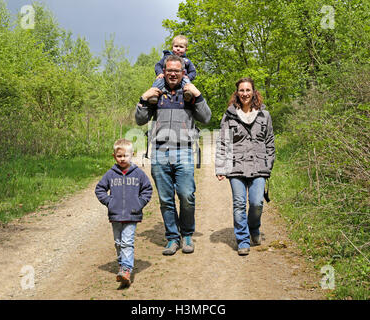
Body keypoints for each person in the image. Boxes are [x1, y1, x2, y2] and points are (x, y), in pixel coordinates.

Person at [135, 54, 211, 256]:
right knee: (166, 199)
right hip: (159, 152)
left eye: (177, 70)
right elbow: (140, 120)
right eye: (170, 70)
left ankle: (186, 234)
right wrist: (143, 99)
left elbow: (206, 117)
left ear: (183, 72)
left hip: (184, 150)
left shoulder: (189, 93)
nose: (173, 74)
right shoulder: (156, 93)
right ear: (164, 71)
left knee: (187, 195)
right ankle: (172, 238)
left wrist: (199, 95)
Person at [215, 77, 275, 256]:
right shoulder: (229, 115)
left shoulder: (265, 115)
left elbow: (270, 141)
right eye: (241, 90)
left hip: (259, 166)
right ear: (237, 93)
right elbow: (223, 143)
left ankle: (254, 228)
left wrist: (268, 163)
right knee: (239, 204)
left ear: (254, 92)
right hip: (236, 167)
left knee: (256, 203)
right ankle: (242, 240)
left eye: (248, 90)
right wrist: (220, 167)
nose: (245, 94)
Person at [95, 139, 153, 286]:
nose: (122, 159)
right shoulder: (110, 174)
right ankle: (122, 267)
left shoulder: (138, 174)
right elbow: (99, 189)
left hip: (132, 214)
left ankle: (126, 270)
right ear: (114, 156)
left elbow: (147, 190)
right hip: (115, 215)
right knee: (118, 242)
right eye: (119, 156)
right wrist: (109, 202)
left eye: (125, 156)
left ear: (132, 155)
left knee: (127, 242)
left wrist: (139, 203)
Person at [148, 35, 197, 104]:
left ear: (186, 49)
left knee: (187, 81)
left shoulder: (187, 61)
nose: (178, 49)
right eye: (176, 46)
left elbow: (193, 71)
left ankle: (188, 94)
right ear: (172, 47)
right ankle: (153, 95)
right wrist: (160, 73)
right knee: (159, 80)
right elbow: (158, 65)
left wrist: (189, 76)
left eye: (181, 47)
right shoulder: (167, 57)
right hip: (167, 77)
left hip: (182, 78)